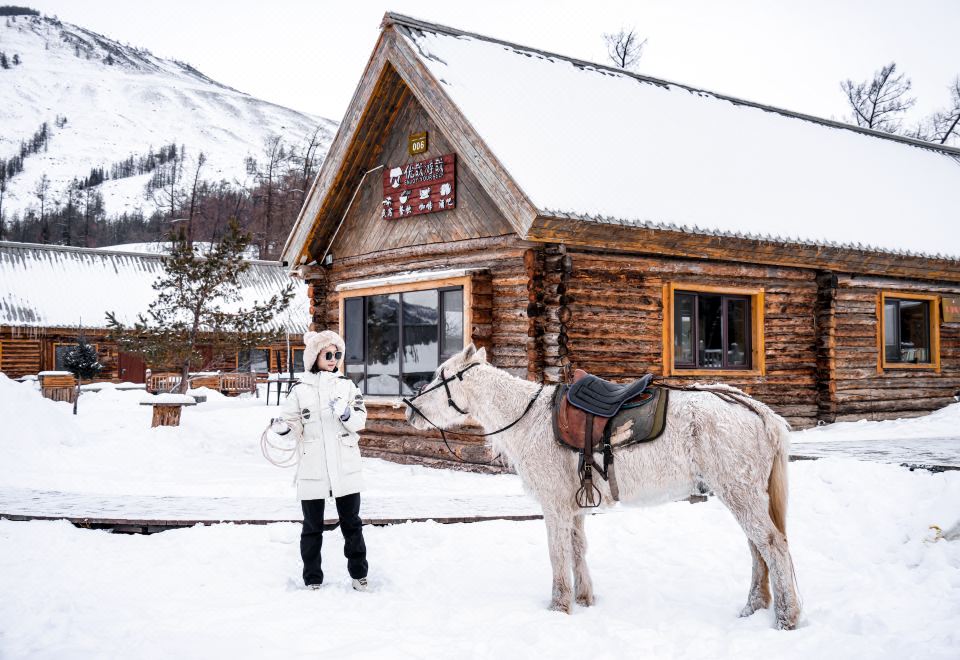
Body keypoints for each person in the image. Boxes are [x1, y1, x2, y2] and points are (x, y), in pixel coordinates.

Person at [270, 330, 369, 591]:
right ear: (314, 356)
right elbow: (292, 424)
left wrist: (346, 413)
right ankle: (312, 577)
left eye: (337, 354)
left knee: (352, 524)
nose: (334, 359)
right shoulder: (299, 390)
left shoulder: (347, 386)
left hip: (345, 466)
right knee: (312, 527)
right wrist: (283, 429)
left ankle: (359, 574)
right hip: (313, 466)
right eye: (328, 354)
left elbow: (360, 421)